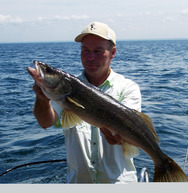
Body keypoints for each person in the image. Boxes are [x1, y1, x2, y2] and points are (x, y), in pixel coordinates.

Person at [32, 22, 141, 183]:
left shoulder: (128, 88)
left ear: (112, 53)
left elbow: (134, 129)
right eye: (85, 51)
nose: (90, 57)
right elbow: (46, 122)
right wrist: (42, 99)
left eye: (98, 51)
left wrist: (122, 139)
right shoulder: (64, 89)